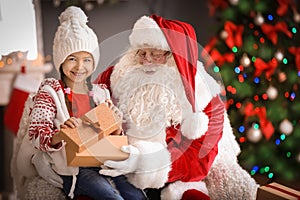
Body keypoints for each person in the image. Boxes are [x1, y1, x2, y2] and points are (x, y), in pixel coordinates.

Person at [95, 15, 259, 200]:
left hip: (170, 182)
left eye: (156, 54)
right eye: (142, 52)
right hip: (110, 168)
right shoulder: (115, 77)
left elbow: (197, 162)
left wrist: (142, 163)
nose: (146, 61)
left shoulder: (204, 98)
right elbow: (89, 112)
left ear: (175, 57)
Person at [23, 6, 146, 200]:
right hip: (74, 168)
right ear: (61, 61)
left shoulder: (99, 93)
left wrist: (114, 124)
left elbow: (112, 137)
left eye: (87, 60)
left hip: (104, 159)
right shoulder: (50, 91)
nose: (80, 67)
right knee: (111, 196)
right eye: (72, 59)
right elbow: (36, 135)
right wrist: (61, 133)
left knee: (136, 195)